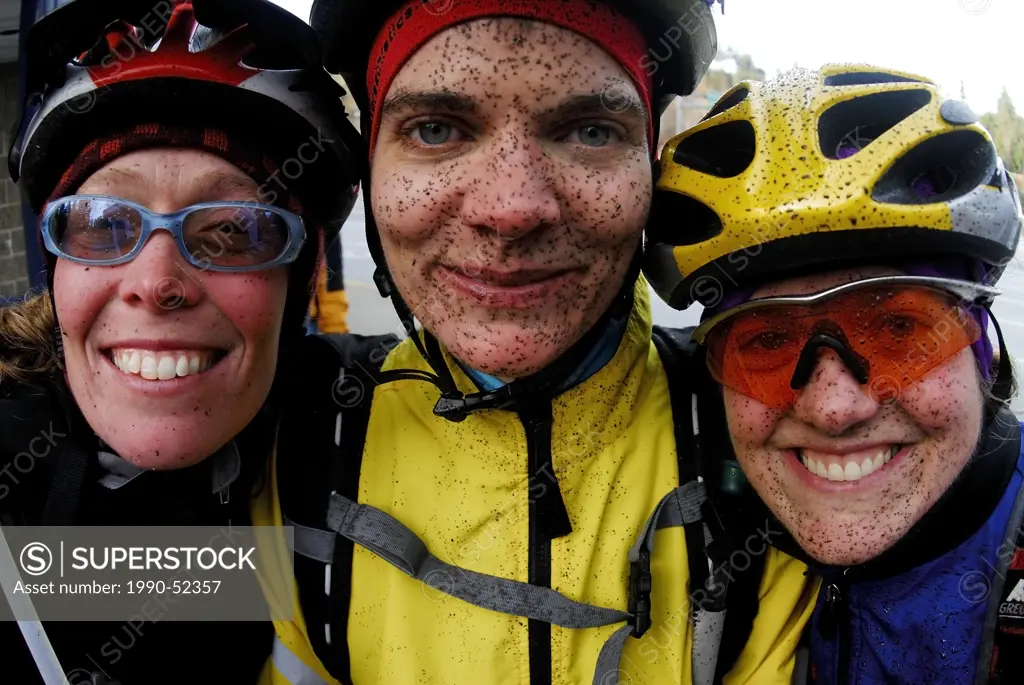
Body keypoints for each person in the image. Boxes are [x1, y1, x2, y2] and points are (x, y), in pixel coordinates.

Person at [251, 1, 819, 684]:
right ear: (370, 165)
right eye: (436, 129)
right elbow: (109, 589)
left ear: (653, 168)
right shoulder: (284, 441)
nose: (512, 208)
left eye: (588, 129)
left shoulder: (768, 436)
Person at [0, 0, 361, 682]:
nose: (156, 280)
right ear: (57, 270)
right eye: (103, 223)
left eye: (233, 230)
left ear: (299, 279)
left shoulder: (348, 436)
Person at [643, 63, 1024, 684]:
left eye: (901, 329)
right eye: (765, 339)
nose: (833, 408)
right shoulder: (713, 534)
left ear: (985, 348)